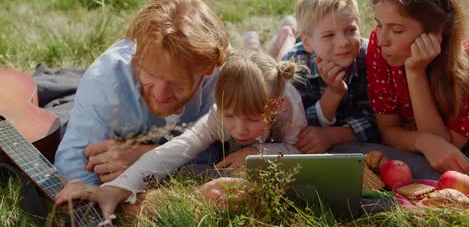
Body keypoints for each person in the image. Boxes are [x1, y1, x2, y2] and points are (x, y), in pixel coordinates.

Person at [55, 50, 308, 222]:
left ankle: (281, 43)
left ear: (275, 106)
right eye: (231, 117)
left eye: (252, 119)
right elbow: (177, 149)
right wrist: (117, 188)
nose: (240, 129)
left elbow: (301, 151)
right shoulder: (219, 114)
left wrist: (258, 152)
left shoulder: (290, 110)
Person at [54, 0, 229, 185]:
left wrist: (147, 158)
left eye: (177, 82)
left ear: (207, 69)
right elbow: (74, 164)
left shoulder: (222, 78)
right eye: (150, 74)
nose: (161, 94)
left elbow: (223, 150)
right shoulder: (105, 82)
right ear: (136, 57)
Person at [366, 0, 469, 180]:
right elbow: (388, 131)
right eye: (379, 25)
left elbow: (444, 150)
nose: (382, 40)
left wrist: (415, 73)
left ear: (437, 31)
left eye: (397, 30)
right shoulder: (380, 45)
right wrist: (423, 141)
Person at [283, 0, 379, 154]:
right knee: (274, 60)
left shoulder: (371, 58)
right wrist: (333, 94)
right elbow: (296, 125)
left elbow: (379, 122)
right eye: (329, 35)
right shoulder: (295, 64)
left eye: (350, 30)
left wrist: (334, 135)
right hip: (289, 56)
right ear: (307, 42)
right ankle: (285, 35)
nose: (343, 42)